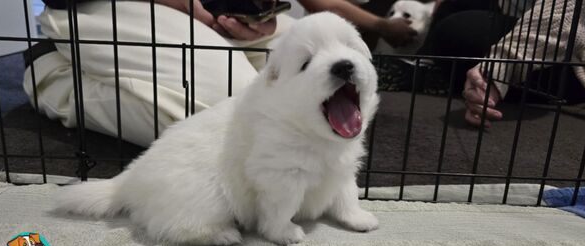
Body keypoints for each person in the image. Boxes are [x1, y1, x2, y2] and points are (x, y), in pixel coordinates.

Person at [24, 0, 416, 147]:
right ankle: (54, 75)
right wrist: (188, 6)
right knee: (231, 122)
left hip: (212, 14)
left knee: (296, 50)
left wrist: (261, 19)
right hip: (102, 5)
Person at [462, 0, 585, 128]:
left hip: (583, 55)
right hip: (528, 12)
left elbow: (583, 8)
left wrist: (500, 64)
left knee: (460, 30)